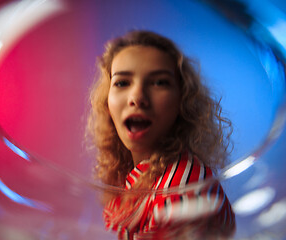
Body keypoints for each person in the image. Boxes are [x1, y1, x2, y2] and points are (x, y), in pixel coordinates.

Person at [87, 30, 235, 239]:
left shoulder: (185, 184)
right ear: (106, 101)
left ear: (182, 101)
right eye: (122, 82)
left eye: (159, 82)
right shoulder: (141, 176)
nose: (137, 97)